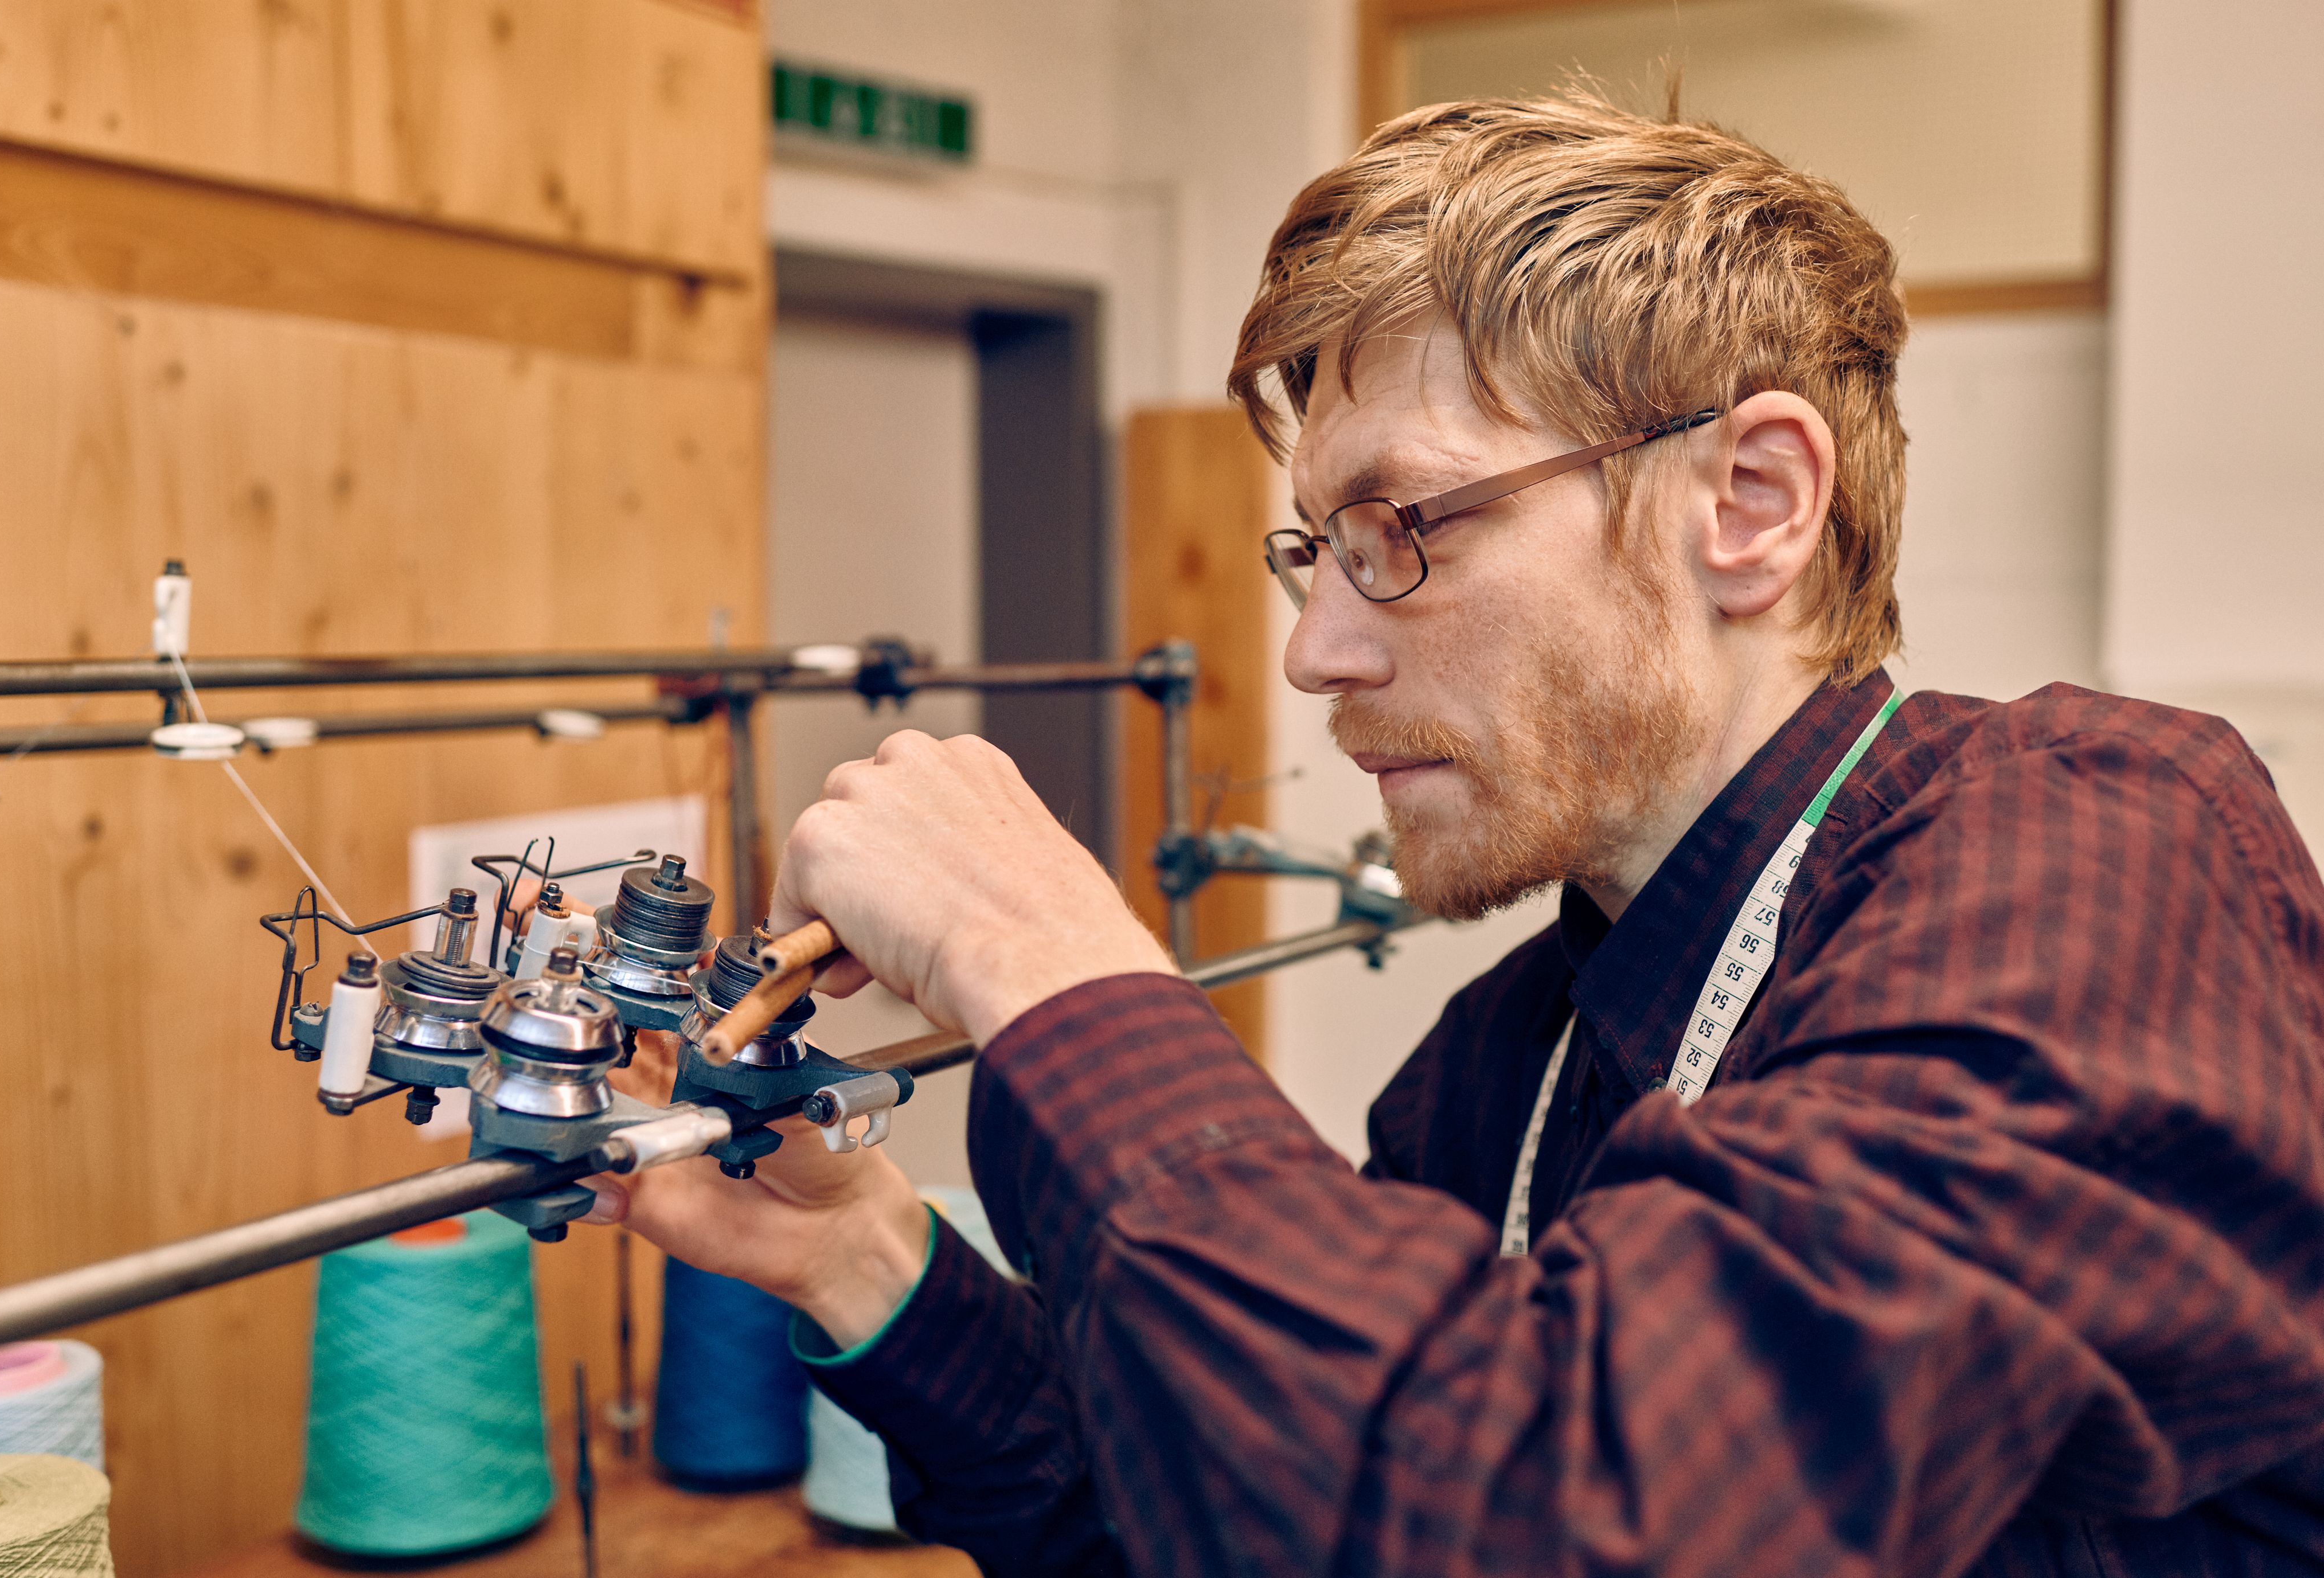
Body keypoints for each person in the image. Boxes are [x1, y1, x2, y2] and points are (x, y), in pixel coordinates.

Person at [587, 94, 2324, 1576]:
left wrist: (1044, 962)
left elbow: (1565, 1522)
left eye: (1404, 524)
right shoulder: (1501, 1072)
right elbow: (1261, 1510)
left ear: (1753, 504)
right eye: (1314, 551)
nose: (1318, 650)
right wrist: (864, 1256)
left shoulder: (2104, 850)